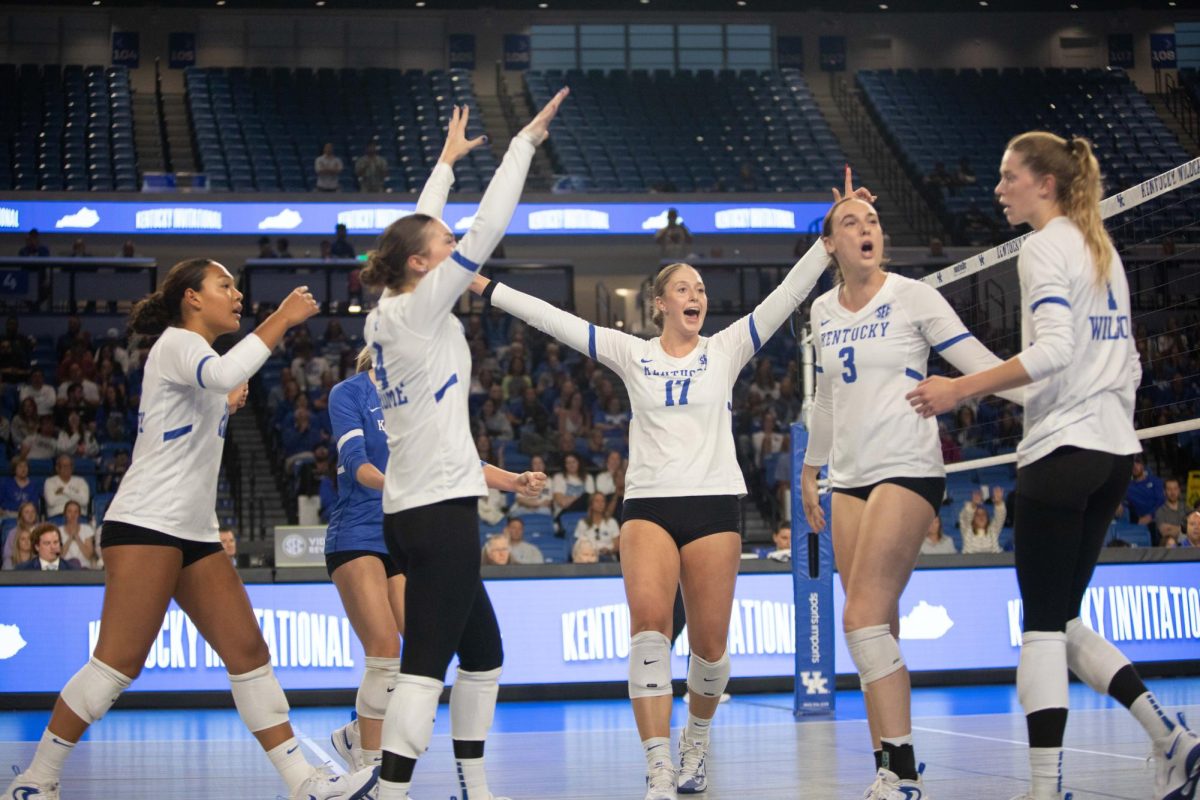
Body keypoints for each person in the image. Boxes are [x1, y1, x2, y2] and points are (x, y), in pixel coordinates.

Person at [471, 168, 841, 800]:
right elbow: (553, 320)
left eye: (700, 288)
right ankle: (658, 766)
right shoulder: (631, 352)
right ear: (660, 303)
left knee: (711, 649)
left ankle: (694, 742)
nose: (696, 294)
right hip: (647, 506)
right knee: (648, 632)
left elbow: (783, 299)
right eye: (683, 288)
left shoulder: (725, 350)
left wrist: (826, 245)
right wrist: (486, 287)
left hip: (715, 505)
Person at [4, 259, 379, 800]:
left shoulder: (194, 360)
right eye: (223, 285)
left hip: (195, 532)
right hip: (145, 524)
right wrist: (282, 318)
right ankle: (38, 779)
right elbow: (224, 373)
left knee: (248, 651)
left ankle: (306, 783)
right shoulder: (179, 342)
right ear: (191, 299)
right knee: (117, 663)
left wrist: (219, 403)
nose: (235, 293)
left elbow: (196, 401)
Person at [906, 130, 1200, 800]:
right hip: (1113, 456)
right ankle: (1173, 740)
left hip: (1063, 453)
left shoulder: (1043, 247)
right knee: (1062, 621)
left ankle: (1044, 790)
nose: (998, 188)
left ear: (1044, 182)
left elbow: (1057, 351)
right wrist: (968, 363)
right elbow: (1117, 364)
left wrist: (959, 390)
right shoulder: (1101, 250)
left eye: (1009, 175)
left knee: (1038, 629)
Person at [361, 92, 566, 800]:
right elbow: (487, 226)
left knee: (482, 654)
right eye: (441, 249)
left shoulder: (392, 309)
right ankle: (392, 791)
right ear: (422, 266)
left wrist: (444, 166)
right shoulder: (418, 308)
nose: (453, 250)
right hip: (439, 512)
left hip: (414, 508)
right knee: (423, 666)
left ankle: (473, 786)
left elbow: (420, 233)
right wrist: (525, 146)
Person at [800, 169, 1023, 800]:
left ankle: (900, 775)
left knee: (860, 619)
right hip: (848, 476)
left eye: (871, 222)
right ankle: (888, 766)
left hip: (908, 467)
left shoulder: (913, 295)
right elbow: (825, 403)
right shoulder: (821, 309)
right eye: (852, 223)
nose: (866, 229)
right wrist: (812, 471)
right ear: (832, 245)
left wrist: (1045, 395)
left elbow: (978, 363)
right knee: (879, 629)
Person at [324, 340, 546, 773]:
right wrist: (403, 485)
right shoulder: (349, 393)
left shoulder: (423, 401)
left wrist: (515, 481)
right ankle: (370, 766)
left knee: (424, 655)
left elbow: (464, 461)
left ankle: (356, 734)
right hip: (357, 534)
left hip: (404, 536)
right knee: (385, 648)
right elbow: (355, 463)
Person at [958, 487, 1006, 554]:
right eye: (977, 515)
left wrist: (998, 503)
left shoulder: (993, 530)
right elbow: (964, 517)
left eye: (984, 514)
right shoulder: (967, 529)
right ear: (973, 519)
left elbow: (1000, 516)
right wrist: (973, 504)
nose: (981, 517)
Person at [574, 491, 619, 561]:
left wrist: (609, 551)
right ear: (591, 504)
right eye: (597, 501)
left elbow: (617, 545)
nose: (600, 504)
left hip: (608, 557)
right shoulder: (582, 523)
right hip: (588, 558)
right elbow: (578, 545)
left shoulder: (612, 522)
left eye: (603, 501)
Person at [43, 453, 90, 518]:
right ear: (57, 468)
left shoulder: (81, 481)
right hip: (57, 516)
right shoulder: (50, 482)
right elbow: (51, 502)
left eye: (69, 466)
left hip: (79, 517)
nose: (67, 468)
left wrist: (64, 491)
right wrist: (75, 495)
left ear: (72, 468)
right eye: (64, 466)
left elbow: (84, 501)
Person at [15, 524, 80, 571]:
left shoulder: (73, 570)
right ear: (37, 547)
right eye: (47, 543)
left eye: (55, 542)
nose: (53, 547)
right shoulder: (23, 570)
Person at [59, 500, 97, 568]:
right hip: (64, 568)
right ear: (65, 514)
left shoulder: (87, 529)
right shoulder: (59, 531)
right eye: (69, 511)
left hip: (84, 567)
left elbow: (88, 555)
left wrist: (77, 537)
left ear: (79, 514)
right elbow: (60, 556)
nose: (73, 515)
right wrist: (70, 538)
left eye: (76, 512)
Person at [2, 502, 39, 569]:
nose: (30, 514)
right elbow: (7, 554)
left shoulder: (42, 531)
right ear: (21, 515)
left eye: (33, 511)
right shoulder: (13, 533)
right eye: (27, 512)